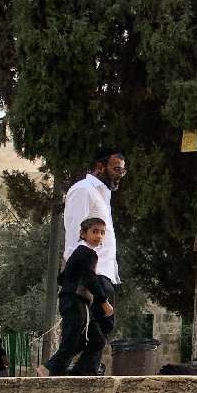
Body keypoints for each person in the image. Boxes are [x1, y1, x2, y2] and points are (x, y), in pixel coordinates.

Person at [62, 148, 126, 360]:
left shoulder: (103, 193)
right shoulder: (83, 190)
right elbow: (75, 232)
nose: (119, 174)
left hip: (104, 269)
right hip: (91, 269)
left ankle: (74, 367)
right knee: (99, 324)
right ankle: (64, 364)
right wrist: (77, 271)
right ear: (100, 166)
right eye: (116, 169)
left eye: (122, 171)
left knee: (99, 325)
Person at [37, 218, 115, 376]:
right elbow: (90, 279)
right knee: (71, 342)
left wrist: (72, 279)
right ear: (83, 233)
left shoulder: (79, 253)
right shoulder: (87, 253)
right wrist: (104, 301)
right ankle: (53, 374)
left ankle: (80, 374)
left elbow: (61, 278)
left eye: (102, 233)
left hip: (79, 303)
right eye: (94, 232)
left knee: (97, 341)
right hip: (74, 302)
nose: (99, 236)